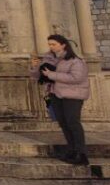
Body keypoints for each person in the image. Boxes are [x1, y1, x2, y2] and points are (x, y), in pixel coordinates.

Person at [30, 34, 90, 165]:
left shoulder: (75, 61)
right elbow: (36, 77)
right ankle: (72, 150)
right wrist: (35, 67)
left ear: (63, 45)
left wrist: (51, 74)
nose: (51, 47)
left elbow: (77, 78)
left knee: (73, 123)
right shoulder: (49, 59)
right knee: (63, 123)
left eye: (54, 44)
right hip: (54, 94)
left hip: (72, 95)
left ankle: (81, 153)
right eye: (50, 44)